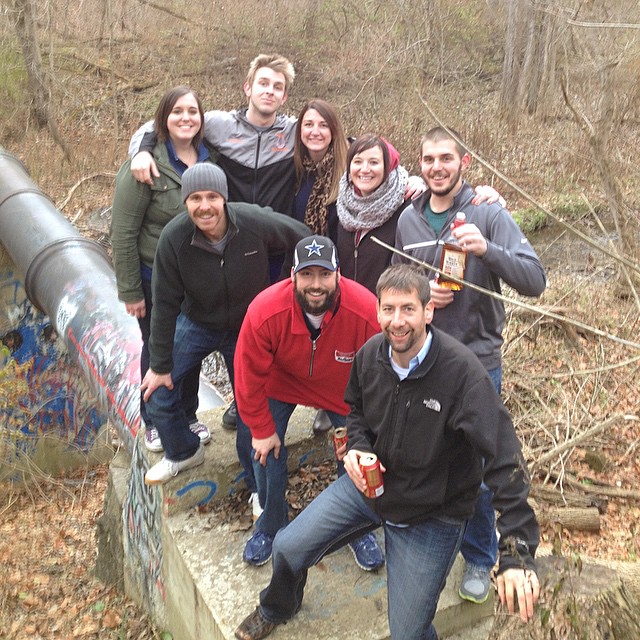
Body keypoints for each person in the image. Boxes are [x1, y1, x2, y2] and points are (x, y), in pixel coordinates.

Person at [234, 264, 540, 640]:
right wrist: (358, 450)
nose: (397, 321)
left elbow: (505, 460)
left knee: (408, 632)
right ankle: (277, 605)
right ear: (377, 311)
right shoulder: (370, 356)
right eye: (389, 310)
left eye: (408, 309)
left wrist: (517, 554)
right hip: (371, 490)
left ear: (428, 311)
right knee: (287, 546)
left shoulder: (462, 375)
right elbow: (356, 413)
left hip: (431, 514)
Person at [393, 126, 546, 605]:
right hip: (425, 357)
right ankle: (432, 542)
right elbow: (400, 285)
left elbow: (536, 281)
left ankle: (480, 555)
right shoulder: (408, 220)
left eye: (445, 158)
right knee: (427, 455)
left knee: (480, 466)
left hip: (478, 360)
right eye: (428, 159)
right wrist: (422, 293)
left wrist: (486, 250)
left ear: (464, 162)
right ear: (419, 164)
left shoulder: (488, 212)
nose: (436, 167)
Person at [128, 53, 298, 429]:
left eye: (278, 87)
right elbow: (162, 123)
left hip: (269, 246)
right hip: (223, 240)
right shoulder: (220, 124)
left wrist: (404, 178)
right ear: (248, 87)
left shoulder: (293, 131)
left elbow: (338, 139)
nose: (269, 91)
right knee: (209, 327)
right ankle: (170, 419)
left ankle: (249, 404)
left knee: (262, 336)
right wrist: (141, 151)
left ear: (285, 96)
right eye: (263, 83)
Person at [141, 163, 309, 485]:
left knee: (253, 403)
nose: (204, 206)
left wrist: (289, 286)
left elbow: (302, 238)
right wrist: (160, 365)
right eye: (195, 199)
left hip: (248, 326)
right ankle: (184, 451)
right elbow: (163, 305)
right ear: (185, 202)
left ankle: (254, 481)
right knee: (156, 392)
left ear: (224, 199)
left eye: (212, 197)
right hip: (196, 322)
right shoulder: (173, 239)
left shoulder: (252, 221)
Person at [233, 235, 385, 572]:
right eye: (307, 275)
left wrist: (366, 428)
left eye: (324, 275)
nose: (316, 285)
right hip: (281, 383)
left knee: (362, 452)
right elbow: (246, 375)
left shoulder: (364, 311)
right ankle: (271, 526)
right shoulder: (265, 310)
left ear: (338, 275)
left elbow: (379, 374)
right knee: (264, 448)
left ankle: (357, 528)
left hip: (341, 390)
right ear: (292, 276)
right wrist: (261, 429)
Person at [110, 85, 216, 453]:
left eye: (192, 111)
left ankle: (187, 414)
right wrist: (130, 291)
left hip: (196, 278)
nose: (185, 118)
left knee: (190, 347)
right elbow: (122, 231)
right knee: (158, 350)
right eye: (177, 112)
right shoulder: (145, 164)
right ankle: (154, 419)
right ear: (163, 118)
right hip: (154, 276)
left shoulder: (210, 159)